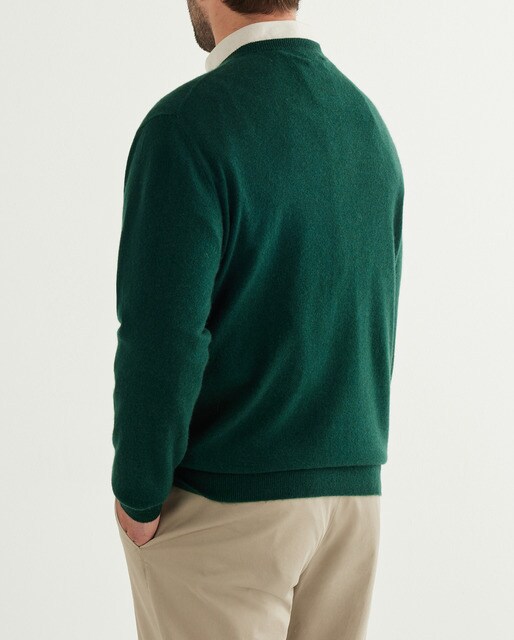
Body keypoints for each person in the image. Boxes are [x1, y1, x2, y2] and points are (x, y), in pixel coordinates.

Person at [111, 1, 404, 638]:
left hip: (227, 504)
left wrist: (137, 491)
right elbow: (374, 317)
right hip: (352, 503)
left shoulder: (186, 127)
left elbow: (161, 339)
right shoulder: (365, 124)